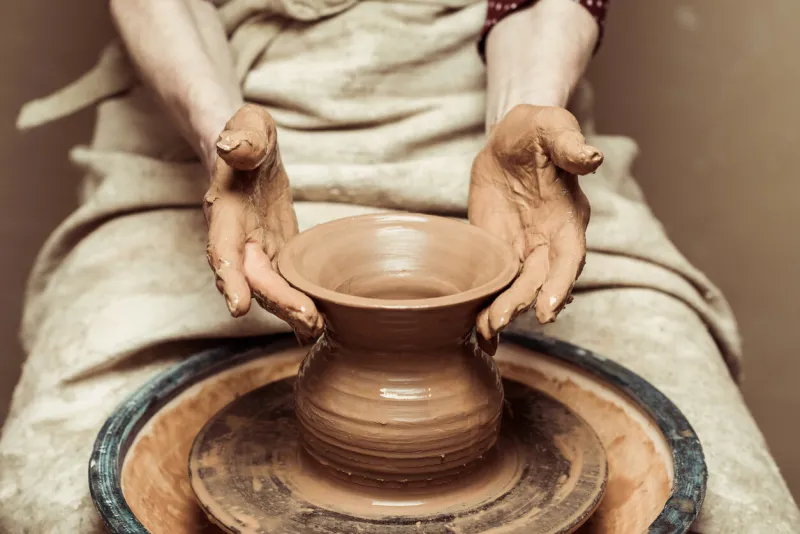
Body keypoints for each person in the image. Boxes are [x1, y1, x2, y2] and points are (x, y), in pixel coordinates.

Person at [1, 0, 798, 532]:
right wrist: (221, 132)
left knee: (739, 508)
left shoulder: (515, 140)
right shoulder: (219, 136)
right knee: (48, 493)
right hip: (217, 134)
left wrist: (526, 108)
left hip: (502, 144)